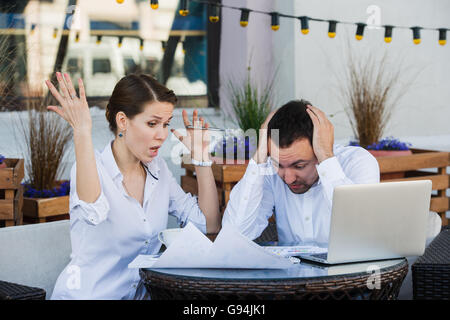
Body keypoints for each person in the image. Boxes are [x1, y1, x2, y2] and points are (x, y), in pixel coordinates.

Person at [46, 72, 220, 299]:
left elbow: (209, 226)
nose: (162, 135)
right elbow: (93, 213)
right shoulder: (90, 168)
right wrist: (81, 131)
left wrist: (201, 160)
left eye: (166, 124)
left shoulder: (159, 171)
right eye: (152, 123)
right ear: (122, 121)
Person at [222, 99, 380, 245]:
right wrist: (259, 159)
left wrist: (326, 157)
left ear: (319, 148)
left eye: (299, 166)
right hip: (291, 275)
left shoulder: (358, 163)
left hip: (349, 275)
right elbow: (235, 234)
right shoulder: (269, 172)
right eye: (279, 165)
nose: (289, 179)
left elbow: (362, 231)